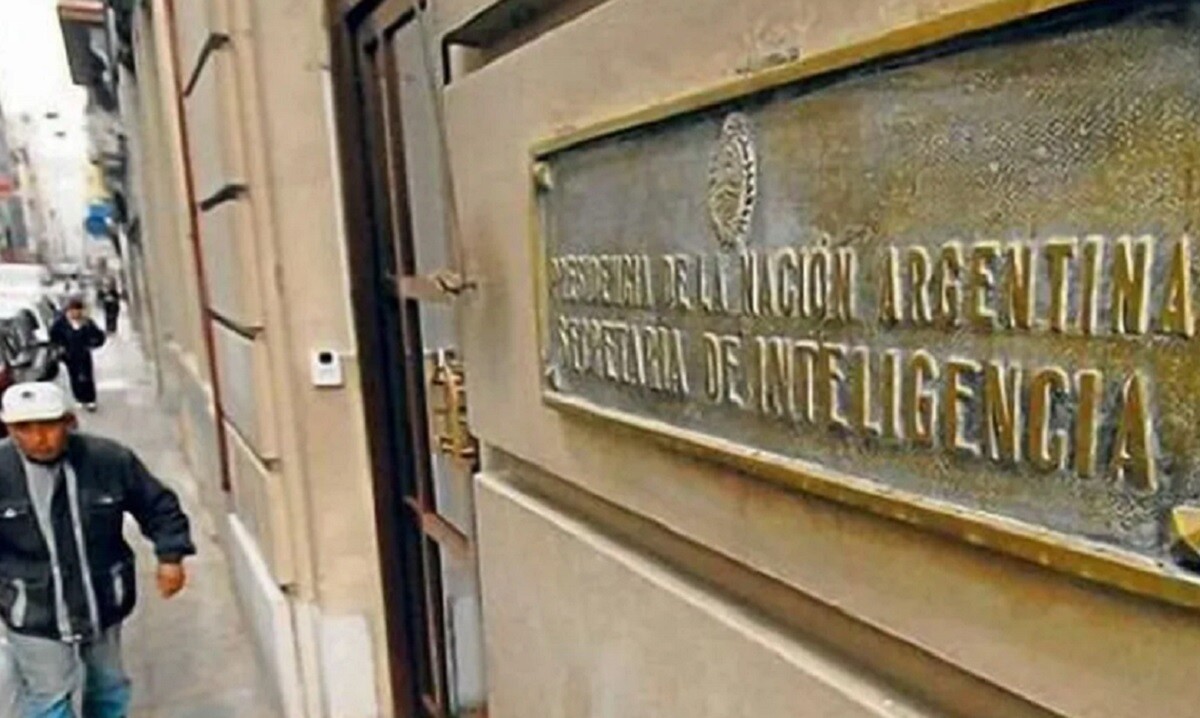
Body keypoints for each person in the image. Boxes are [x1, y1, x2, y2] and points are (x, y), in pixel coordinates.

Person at [0, 382, 195, 717]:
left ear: (69, 422)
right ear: (8, 429)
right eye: (24, 428)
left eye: (48, 425)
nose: (38, 438)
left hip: (101, 598)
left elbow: (158, 506)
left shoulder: (108, 460)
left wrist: (170, 557)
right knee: (48, 694)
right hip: (31, 607)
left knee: (108, 683)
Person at [49, 298, 105, 412]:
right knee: (74, 376)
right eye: (73, 311)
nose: (76, 313)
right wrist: (60, 348)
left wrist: (92, 344)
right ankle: (79, 398)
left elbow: (99, 335)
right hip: (69, 355)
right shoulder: (60, 323)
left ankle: (90, 399)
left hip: (84, 353)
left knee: (87, 376)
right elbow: (54, 337)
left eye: (78, 311)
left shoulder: (87, 322)